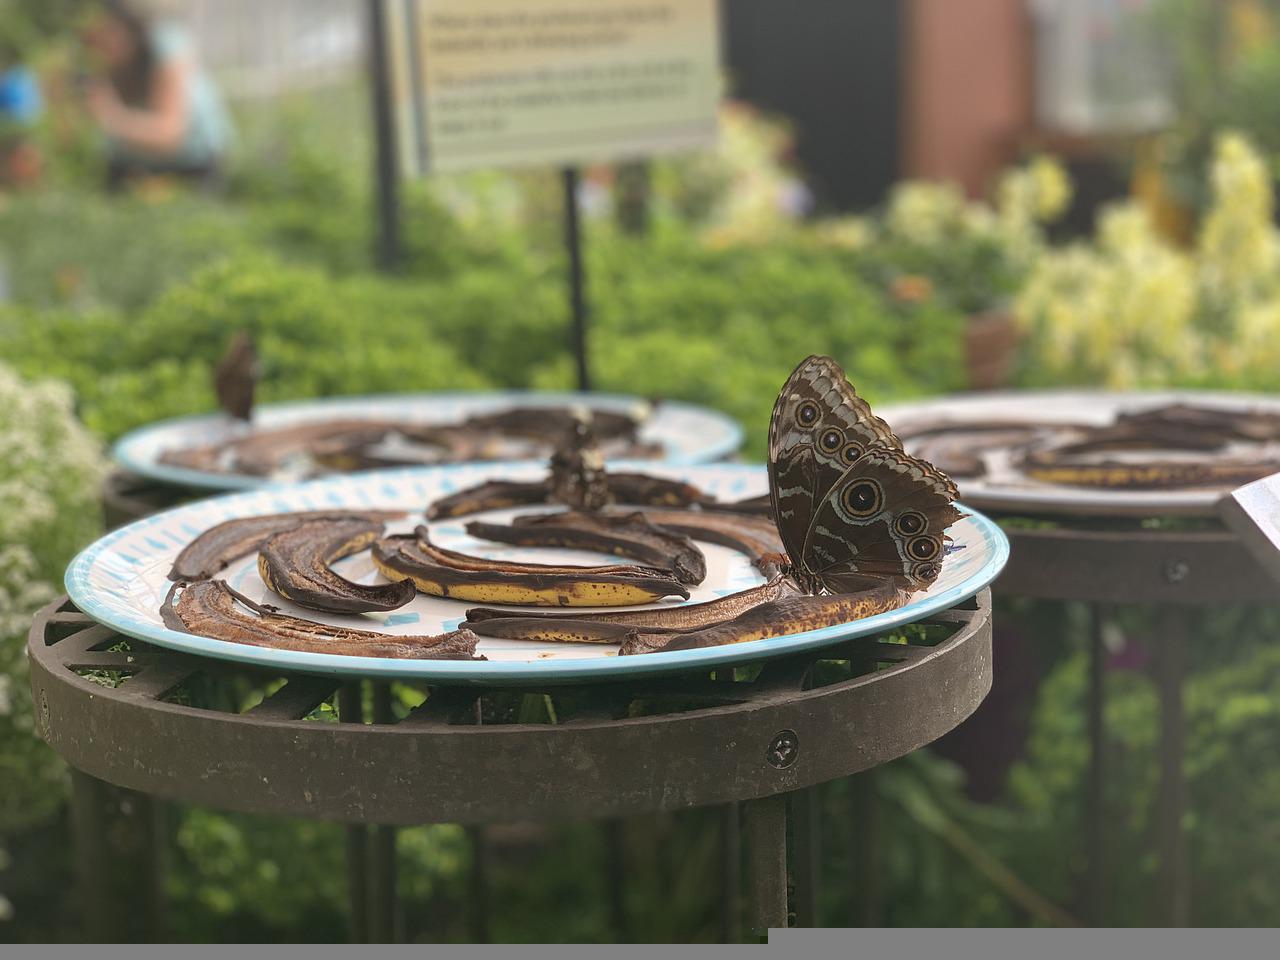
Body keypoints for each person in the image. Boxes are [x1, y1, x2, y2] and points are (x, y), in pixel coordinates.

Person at [80, 0, 233, 192]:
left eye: (107, 33)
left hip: (190, 163)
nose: (99, 44)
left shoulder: (167, 45)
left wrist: (112, 117)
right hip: (127, 164)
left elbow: (169, 135)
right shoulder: (90, 54)